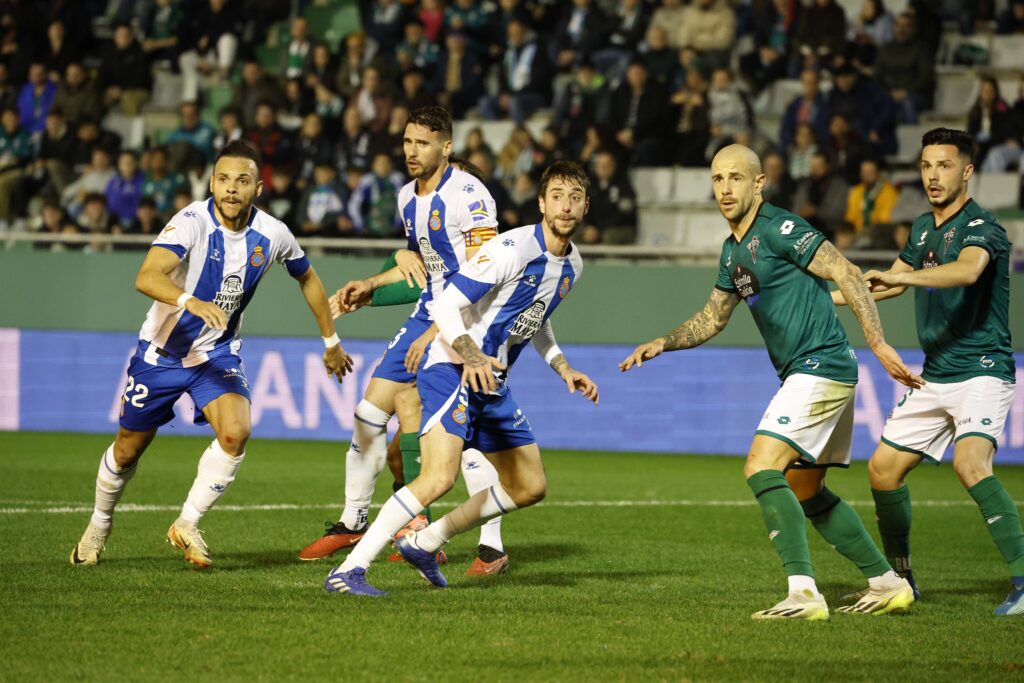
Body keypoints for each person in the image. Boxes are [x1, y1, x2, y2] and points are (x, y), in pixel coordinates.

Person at [620, 144, 922, 620]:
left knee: (761, 466)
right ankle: (888, 583)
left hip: (819, 366)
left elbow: (844, 271)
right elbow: (713, 318)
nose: (725, 188)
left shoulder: (780, 227)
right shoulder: (732, 252)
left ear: (758, 184)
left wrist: (879, 343)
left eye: (736, 178)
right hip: (819, 371)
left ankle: (803, 593)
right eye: (718, 179)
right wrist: (665, 341)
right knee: (804, 490)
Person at [68, 140, 353, 569]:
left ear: (258, 188)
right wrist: (189, 301)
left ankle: (187, 522)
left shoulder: (273, 234)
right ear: (212, 183)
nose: (230, 189)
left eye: (241, 181)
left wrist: (331, 341)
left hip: (216, 356)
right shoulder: (190, 222)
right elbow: (146, 275)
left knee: (237, 432)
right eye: (222, 180)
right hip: (161, 355)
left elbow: (307, 277)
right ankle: (99, 524)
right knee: (127, 450)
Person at [324, 161, 599, 596]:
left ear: (586, 207)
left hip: (491, 378)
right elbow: (446, 305)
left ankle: (425, 542)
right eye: (557, 196)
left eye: (575, 197)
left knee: (530, 486)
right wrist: (470, 354)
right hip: (453, 366)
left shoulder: (573, 265)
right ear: (541, 202)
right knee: (438, 477)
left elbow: (536, 317)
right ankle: (350, 570)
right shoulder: (511, 249)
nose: (566, 206)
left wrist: (563, 366)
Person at [297, 107, 508, 574]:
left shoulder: (470, 195)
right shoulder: (406, 197)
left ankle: (461, 538)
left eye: (423, 143)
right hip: (428, 315)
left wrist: (440, 330)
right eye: (408, 142)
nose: (412, 151)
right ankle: (357, 519)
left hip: (468, 323)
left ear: (446, 147)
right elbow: (421, 268)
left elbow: (488, 276)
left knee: (460, 434)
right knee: (371, 413)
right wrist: (370, 286)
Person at [836, 128, 1024, 616]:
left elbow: (965, 272)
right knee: (882, 471)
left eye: (943, 166)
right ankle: (901, 579)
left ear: (967, 171)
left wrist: (901, 275)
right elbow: (889, 285)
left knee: (970, 464)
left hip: (983, 369)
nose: (932, 176)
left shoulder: (985, 227)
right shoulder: (922, 228)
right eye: (925, 166)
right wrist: (823, 300)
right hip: (936, 373)